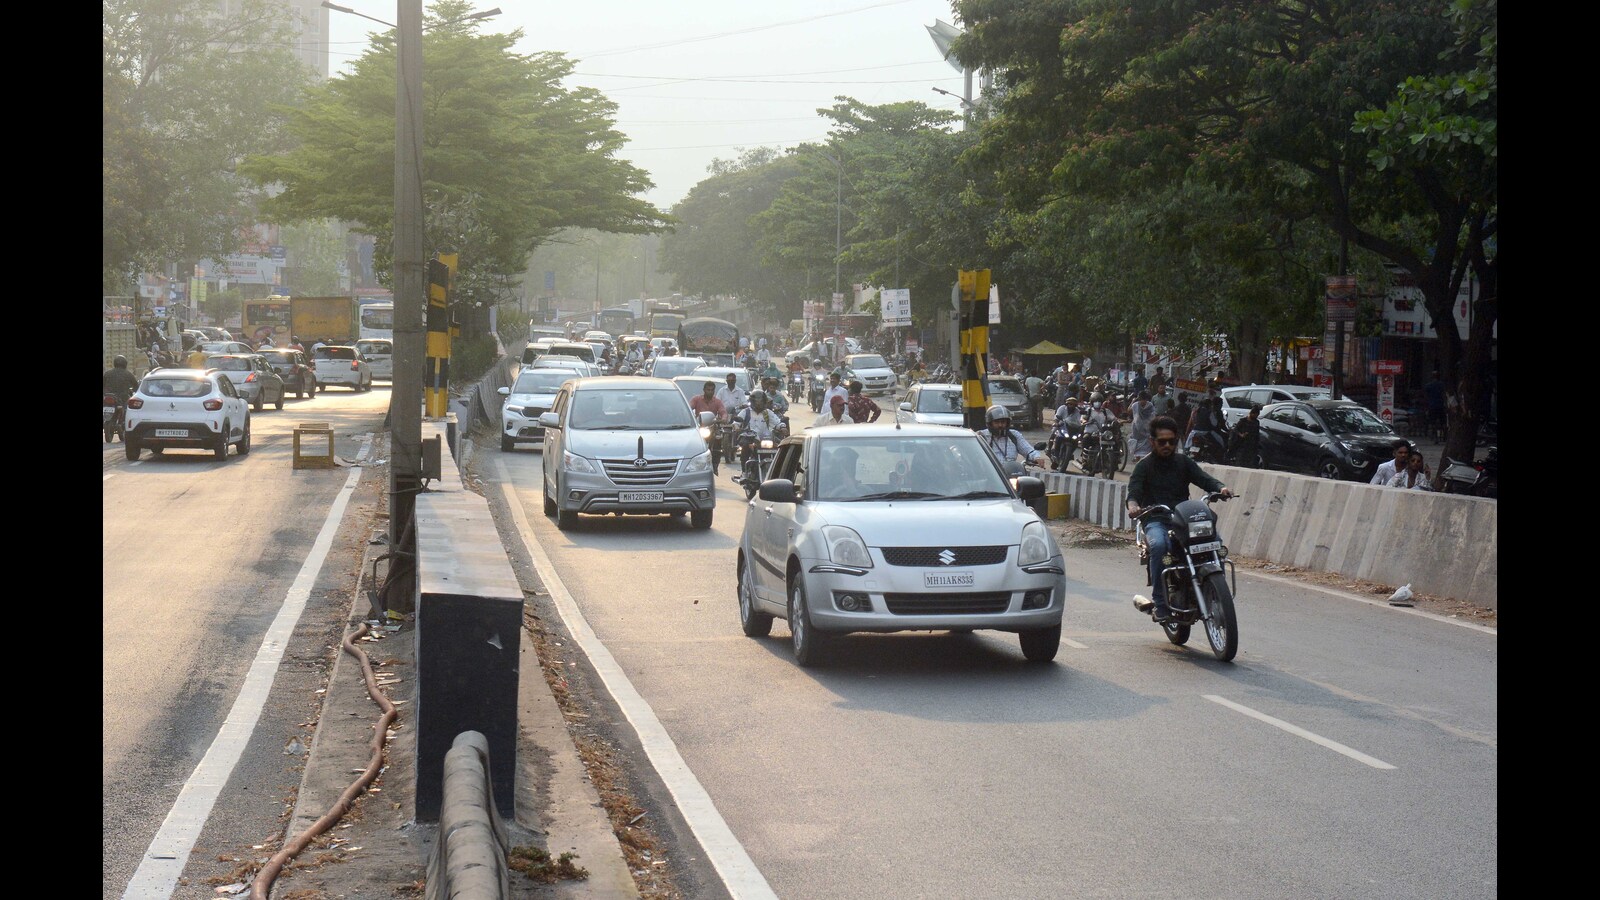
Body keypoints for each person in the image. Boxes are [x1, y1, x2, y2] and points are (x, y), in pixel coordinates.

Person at [1126, 415, 1233, 621]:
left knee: (1215, 543)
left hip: (1183, 518)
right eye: (1162, 441)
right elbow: (1134, 492)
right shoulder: (1144, 466)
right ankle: (1160, 603)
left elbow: (1204, 479)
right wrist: (1133, 506)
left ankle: (1219, 593)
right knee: (1159, 547)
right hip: (1156, 518)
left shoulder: (1183, 462)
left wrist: (1221, 488)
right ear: (1152, 442)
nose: (1167, 445)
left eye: (1172, 441)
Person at [1051, 395, 1085, 471]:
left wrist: (1082, 425)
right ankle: (1051, 448)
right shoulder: (1062, 408)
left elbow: (1080, 420)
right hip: (1061, 425)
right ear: (1067, 404)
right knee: (1054, 432)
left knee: (1076, 441)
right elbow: (1057, 417)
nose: (1071, 406)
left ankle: (1068, 454)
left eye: (1073, 405)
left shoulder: (1077, 411)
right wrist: (1056, 422)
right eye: (1070, 404)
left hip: (1072, 429)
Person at [1128, 390, 1155, 462]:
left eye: (1144, 399)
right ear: (1139, 399)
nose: (1142, 402)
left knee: (1146, 450)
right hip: (1136, 429)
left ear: (1146, 399)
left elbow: (1152, 417)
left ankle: (1144, 462)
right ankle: (1138, 461)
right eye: (1141, 399)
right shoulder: (1135, 405)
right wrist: (1132, 401)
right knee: (1137, 449)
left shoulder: (1150, 406)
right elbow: (1129, 411)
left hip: (1147, 429)